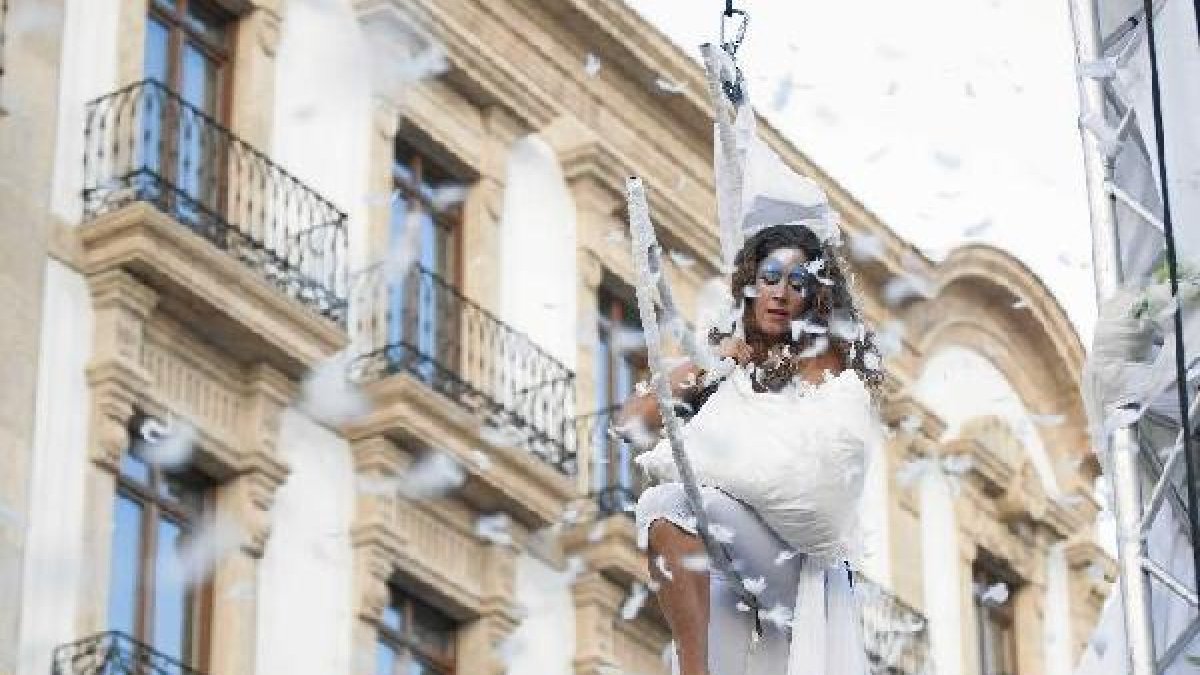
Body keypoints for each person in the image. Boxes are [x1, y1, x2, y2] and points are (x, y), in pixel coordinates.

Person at [616, 220, 884, 675]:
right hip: (727, 555)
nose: (780, 293)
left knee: (670, 501)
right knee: (672, 512)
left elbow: (814, 480)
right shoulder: (727, 361)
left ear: (814, 297)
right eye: (770, 278)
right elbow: (630, 422)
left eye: (796, 282)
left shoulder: (826, 357)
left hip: (795, 570)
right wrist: (716, 360)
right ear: (751, 286)